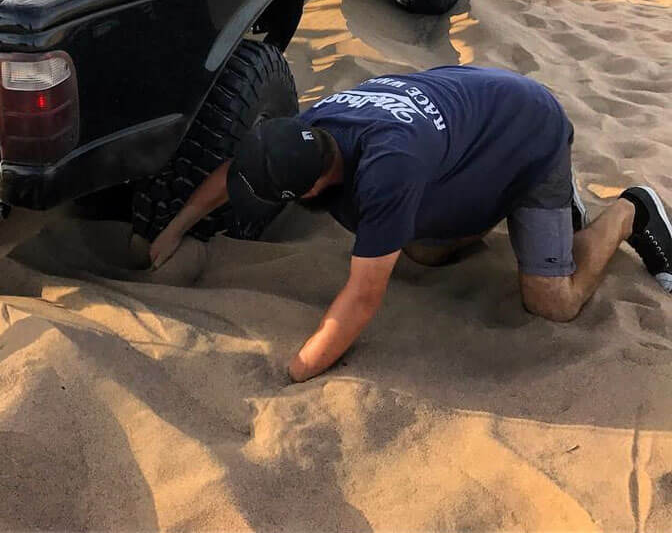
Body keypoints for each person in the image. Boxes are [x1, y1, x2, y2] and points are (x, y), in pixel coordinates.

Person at [149, 65, 672, 383]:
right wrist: (176, 227)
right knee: (422, 251)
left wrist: (296, 371)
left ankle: (629, 211)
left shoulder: (386, 173)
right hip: (477, 112)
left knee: (550, 302)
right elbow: (236, 171)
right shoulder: (307, 130)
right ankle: (542, 220)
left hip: (530, 133)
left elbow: (361, 298)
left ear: (311, 188)